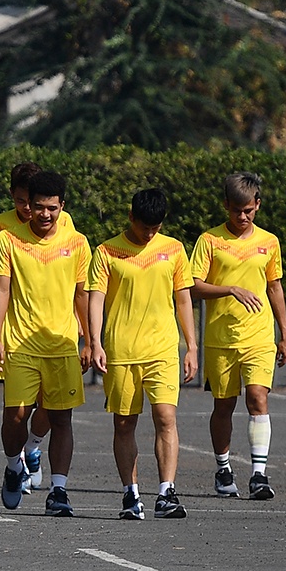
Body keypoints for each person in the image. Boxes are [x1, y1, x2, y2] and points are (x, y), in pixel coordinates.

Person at [85, 188, 198, 521]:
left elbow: (183, 299)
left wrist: (191, 345)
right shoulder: (106, 251)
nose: (150, 233)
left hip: (163, 348)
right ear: (130, 217)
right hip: (121, 349)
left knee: (166, 418)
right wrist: (95, 341)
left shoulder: (174, 249)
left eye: (156, 227)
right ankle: (130, 494)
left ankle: (166, 492)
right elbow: (96, 298)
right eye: (144, 226)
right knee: (124, 423)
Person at [0, 170, 89, 516]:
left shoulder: (77, 243)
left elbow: (82, 294)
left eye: (53, 208)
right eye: (39, 208)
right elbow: (1, 288)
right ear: (27, 206)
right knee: (16, 415)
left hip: (62, 345)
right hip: (20, 344)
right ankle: (14, 465)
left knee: (61, 420)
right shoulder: (8, 240)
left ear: (63, 206)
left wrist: (91, 340)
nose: (46, 215)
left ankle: (58, 491)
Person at [187, 171, 286, 501]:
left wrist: (284, 333)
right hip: (221, 339)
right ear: (225, 206)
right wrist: (229, 288)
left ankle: (259, 474)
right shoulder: (209, 241)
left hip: (259, 336)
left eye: (248, 210)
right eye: (235, 211)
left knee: (258, 397)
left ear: (257, 205)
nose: (242, 217)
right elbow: (193, 287)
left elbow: (275, 286)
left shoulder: (269, 242)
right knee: (224, 405)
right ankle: (223, 467)